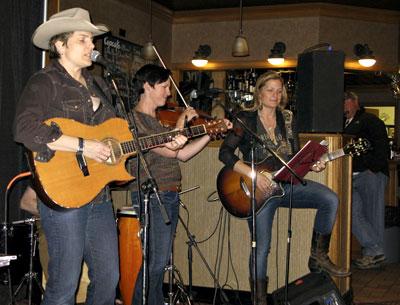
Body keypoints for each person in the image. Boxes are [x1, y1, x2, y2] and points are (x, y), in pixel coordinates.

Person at [13, 8, 120, 305]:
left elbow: (115, 135)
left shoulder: (98, 86)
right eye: (83, 39)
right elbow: (24, 129)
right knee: (64, 282)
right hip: (64, 197)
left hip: (98, 195)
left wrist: (170, 137)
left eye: (92, 40)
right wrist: (83, 145)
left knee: (109, 278)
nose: (92, 46)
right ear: (60, 45)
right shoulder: (45, 82)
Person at [219, 71, 350, 305]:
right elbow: (225, 153)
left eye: (279, 91)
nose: (275, 95)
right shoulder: (245, 119)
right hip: (257, 191)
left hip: (285, 185)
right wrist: (252, 174)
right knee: (262, 248)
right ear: (259, 92)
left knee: (329, 199)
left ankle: (318, 255)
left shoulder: (288, 118)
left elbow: (294, 158)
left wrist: (314, 164)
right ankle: (258, 300)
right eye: (270, 90)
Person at [128, 64, 231, 305]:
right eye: (164, 86)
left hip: (168, 194)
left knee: (158, 261)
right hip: (152, 195)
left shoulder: (158, 120)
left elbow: (182, 154)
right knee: (154, 262)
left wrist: (209, 132)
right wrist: (183, 119)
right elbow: (170, 149)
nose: (168, 93)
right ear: (147, 86)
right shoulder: (135, 120)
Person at [344, 91, 390, 269]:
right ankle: (375, 250)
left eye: (346, 102)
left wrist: (374, 169)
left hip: (370, 174)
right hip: (351, 176)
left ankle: (372, 255)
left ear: (355, 102)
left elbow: (382, 145)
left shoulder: (370, 120)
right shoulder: (343, 123)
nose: (344, 106)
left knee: (373, 215)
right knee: (351, 212)